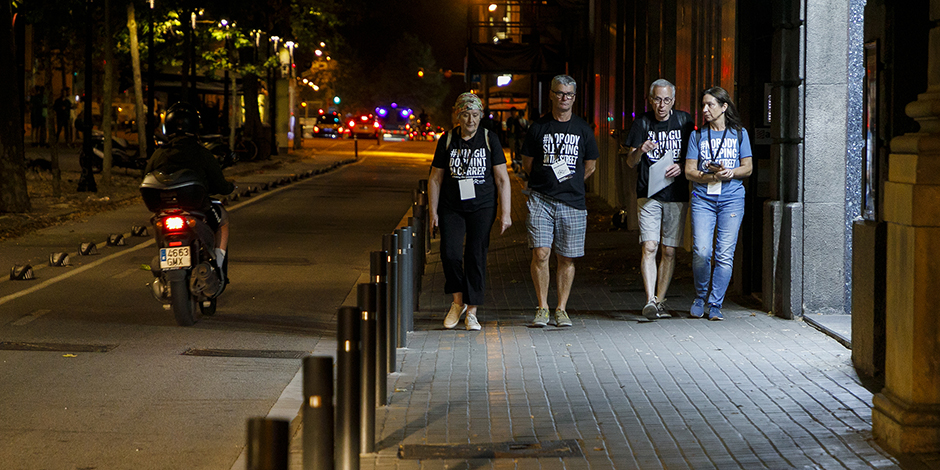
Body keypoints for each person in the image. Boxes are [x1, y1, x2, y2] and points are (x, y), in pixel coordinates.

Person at [428, 93, 512, 331]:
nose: (470, 120)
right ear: (458, 115)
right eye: (465, 115)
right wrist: (433, 212)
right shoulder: (447, 140)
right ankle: (457, 303)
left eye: (475, 115)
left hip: (482, 206)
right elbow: (435, 178)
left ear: (481, 116)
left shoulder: (489, 139)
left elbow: (502, 179)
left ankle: (472, 311)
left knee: (476, 255)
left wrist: (505, 213)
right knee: (450, 253)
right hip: (452, 206)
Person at [521, 74, 599, 327]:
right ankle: (542, 307)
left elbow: (591, 164)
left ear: (574, 98)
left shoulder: (583, 129)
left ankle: (561, 309)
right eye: (560, 93)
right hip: (541, 198)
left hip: (573, 202)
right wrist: (547, 181)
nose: (564, 98)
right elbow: (528, 163)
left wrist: (572, 181)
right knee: (541, 253)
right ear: (552, 95)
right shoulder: (538, 127)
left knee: (566, 258)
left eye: (569, 94)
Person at [624, 79, 694, 320]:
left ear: (673, 100)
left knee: (669, 250)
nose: (661, 105)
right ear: (650, 99)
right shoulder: (641, 123)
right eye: (656, 99)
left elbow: (694, 159)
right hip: (648, 193)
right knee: (650, 246)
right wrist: (640, 150)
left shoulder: (685, 122)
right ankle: (649, 300)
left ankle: (661, 300)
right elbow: (630, 162)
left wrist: (681, 166)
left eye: (666, 100)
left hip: (675, 193)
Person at [145, 102, 236, 282]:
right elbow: (219, 183)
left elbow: (146, 176)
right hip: (197, 208)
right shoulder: (202, 153)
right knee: (222, 221)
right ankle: (217, 262)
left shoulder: (159, 154)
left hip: (164, 210)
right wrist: (229, 187)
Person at [684, 87, 753, 321]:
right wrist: (711, 176)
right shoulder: (698, 136)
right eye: (703, 105)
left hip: (732, 199)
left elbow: (749, 167)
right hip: (703, 198)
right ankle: (700, 297)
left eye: (710, 105)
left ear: (724, 107)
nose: (704, 110)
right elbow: (689, 171)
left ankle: (715, 303)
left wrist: (730, 173)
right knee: (702, 252)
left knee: (724, 254)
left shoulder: (739, 134)